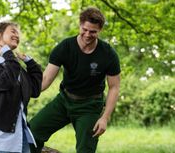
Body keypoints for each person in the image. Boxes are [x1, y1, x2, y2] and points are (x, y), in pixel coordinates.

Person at [29, 7, 121, 153]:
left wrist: (105, 118)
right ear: (80, 25)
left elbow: (114, 87)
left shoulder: (108, 54)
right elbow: (46, 78)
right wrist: (25, 91)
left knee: (86, 149)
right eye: (85, 29)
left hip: (90, 106)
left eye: (93, 31)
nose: (88, 34)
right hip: (64, 100)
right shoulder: (65, 47)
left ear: (100, 30)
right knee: (32, 132)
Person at [0, 21, 42, 153]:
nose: (17, 35)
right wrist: (7, 53)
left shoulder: (16, 68)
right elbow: (7, 81)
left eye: (18, 33)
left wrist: (30, 63)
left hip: (20, 136)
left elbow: (34, 90)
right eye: (13, 31)